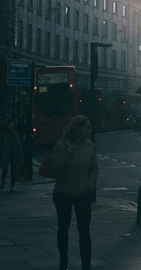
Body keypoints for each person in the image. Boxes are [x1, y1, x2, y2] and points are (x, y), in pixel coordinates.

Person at [50, 115, 99, 270]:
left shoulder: (90, 146)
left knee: (84, 231)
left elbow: (94, 169)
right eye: (87, 127)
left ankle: (86, 265)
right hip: (63, 193)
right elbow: (55, 168)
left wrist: (89, 184)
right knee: (63, 229)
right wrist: (69, 152)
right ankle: (63, 261)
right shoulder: (61, 145)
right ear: (78, 129)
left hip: (83, 193)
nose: (90, 130)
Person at [0, 118, 24, 192]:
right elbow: (1, 144)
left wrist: (20, 154)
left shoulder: (16, 133)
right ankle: (3, 180)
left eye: (13, 125)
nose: (11, 126)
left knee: (13, 170)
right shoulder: (4, 134)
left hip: (14, 153)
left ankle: (12, 186)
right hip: (5, 153)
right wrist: (0, 153)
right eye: (10, 125)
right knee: (5, 169)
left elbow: (19, 145)